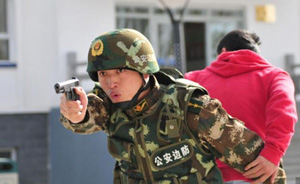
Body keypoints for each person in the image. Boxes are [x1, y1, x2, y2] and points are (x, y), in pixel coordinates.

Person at [59, 28, 281, 184]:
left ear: (144, 70)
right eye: (103, 74)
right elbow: (88, 114)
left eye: (120, 70)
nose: (110, 82)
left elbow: (257, 162)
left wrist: (272, 159)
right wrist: (76, 114)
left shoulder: (189, 106)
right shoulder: (109, 105)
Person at [185, 29, 298, 184]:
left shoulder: (192, 79)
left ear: (223, 52)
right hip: (255, 174)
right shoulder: (275, 76)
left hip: (204, 176)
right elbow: (284, 111)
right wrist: (273, 152)